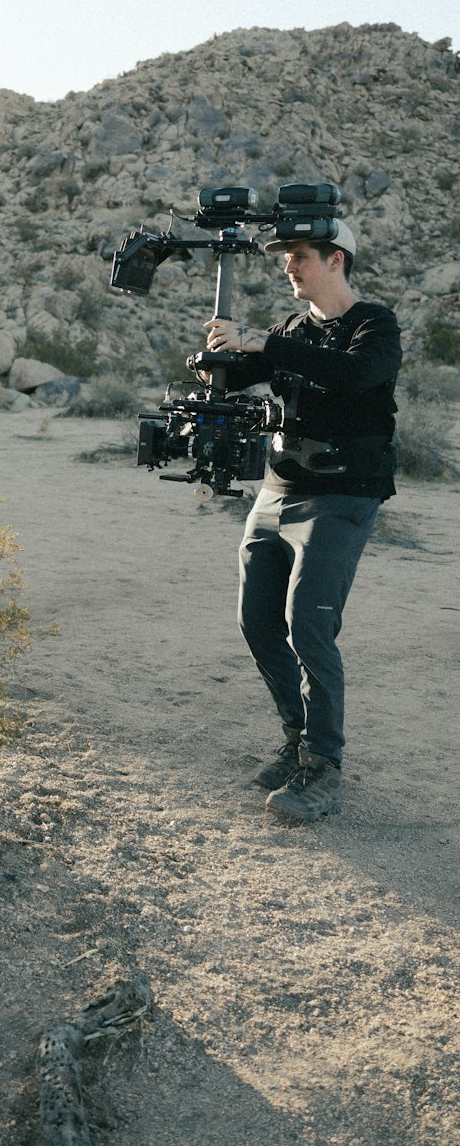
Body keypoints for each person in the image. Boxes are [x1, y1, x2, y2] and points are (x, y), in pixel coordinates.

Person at [203, 218, 401, 824]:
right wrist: (218, 361)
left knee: (308, 626)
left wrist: (263, 343)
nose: (289, 266)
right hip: (277, 492)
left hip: (342, 498)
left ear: (336, 260)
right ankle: (296, 738)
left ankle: (324, 765)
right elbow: (256, 373)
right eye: (286, 257)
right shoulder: (291, 329)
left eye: (300, 257)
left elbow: (354, 373)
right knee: (258, 621)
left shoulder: (374, 324)